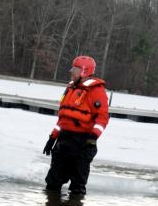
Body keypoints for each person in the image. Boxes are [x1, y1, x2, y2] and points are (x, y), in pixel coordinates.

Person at [43, 55, 109, 195]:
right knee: (52, 183)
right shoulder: (70, 88)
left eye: (76, 69)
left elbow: (102, 118)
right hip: (64, 141)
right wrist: (53, 137)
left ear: (84, 71)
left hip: (83, 143)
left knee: (77, 187)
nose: (71, 71)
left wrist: (92, 139)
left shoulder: (96, 91)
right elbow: (63, 119)